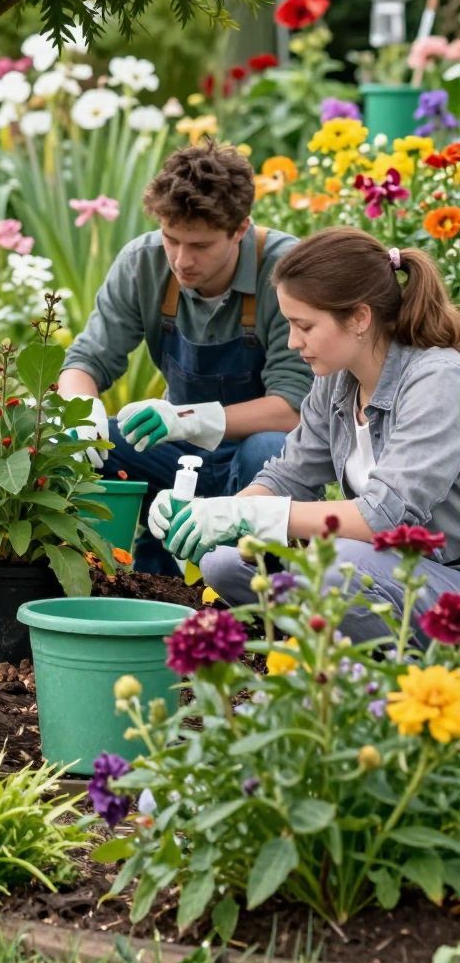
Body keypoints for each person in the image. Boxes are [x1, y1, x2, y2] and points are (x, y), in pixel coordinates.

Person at [151, 229, 460, 642]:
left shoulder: (437, 381)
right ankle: (321, 640)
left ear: (360, 318)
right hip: (382, 573)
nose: (293, 342)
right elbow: (287, 477)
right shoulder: (337, 381)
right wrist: (210, 515)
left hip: (442, 579)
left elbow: (382, 517)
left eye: (305, 326)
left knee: (334, 565)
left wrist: (250, 516)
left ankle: (376, 657)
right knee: (224, 561)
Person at [58, 141, 309, 573]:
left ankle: (260, 583)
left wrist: (191, 419)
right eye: (171, 239)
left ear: (240, 229)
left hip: (257, 460)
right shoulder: (143, 263)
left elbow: (293, 409)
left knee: (269, 448)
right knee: (91, 446)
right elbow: (86, 359)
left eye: (200, 245)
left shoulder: (285, 270)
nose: (181, 260)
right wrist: (80, 410)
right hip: (177, 453)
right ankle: (106, 573)